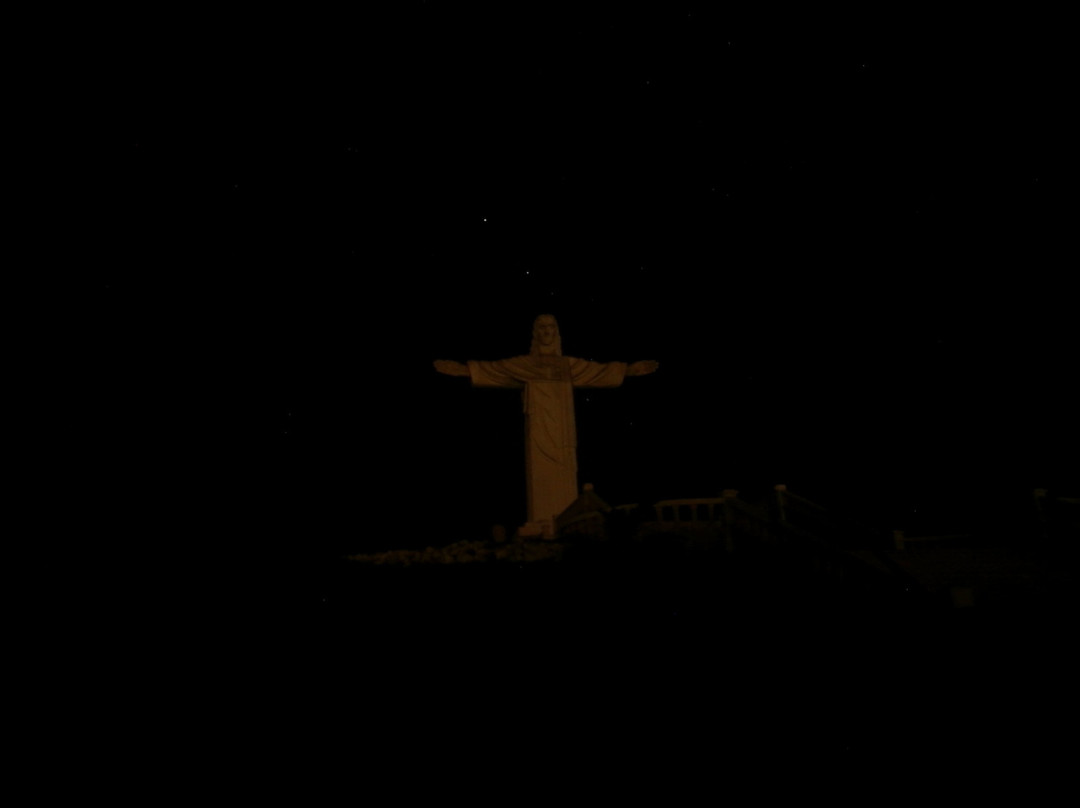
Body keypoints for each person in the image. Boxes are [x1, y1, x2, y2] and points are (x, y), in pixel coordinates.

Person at [434, 314, 657, 532]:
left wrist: (627, 370)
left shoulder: (569, 366)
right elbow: (497, 370)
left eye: (551, 327)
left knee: (565, 473)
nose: (547, 331)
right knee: (540, 473)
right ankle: (543, 521)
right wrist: (466, 370)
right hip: (538, 430)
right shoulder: (525, 365)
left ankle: (566, 522)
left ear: (557, 332)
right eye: (542, 327)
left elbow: (598, 372)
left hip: (562, 433)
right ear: (535, 333)